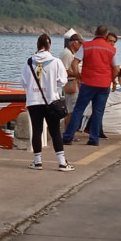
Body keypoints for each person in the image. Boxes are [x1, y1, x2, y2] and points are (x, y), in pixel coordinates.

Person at [20, 34, 74, 171]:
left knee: (36, 131)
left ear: (37, 45)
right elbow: (63, 81)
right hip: (50, 100)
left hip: (33, 101)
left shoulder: (28, 62)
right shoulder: (56, 62)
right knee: (55, 131)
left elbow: (24, 82)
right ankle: (62, 162)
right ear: (49, 46)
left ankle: (37, 161)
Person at [62, 25, 119, 146]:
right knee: (98, 111)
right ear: (106, 35)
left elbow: (75, 63)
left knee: (78, 110)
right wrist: (112, 79)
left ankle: (68, 137)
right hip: (104, 84)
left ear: (94, 33)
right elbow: (116, 68)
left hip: (88, 83)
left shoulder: (86, 46)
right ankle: (94, 139)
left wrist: (78, 76)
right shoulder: (111, 49)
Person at [60, 33, 83, 126]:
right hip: (70, 83)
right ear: (75, 43)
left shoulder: (71, 53)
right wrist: (78, 74)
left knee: (73, 108)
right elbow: (64, 71)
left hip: (74, 83)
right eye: (80, 44)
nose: (82, 46)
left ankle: (71, 130)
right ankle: (69, 131)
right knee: (71, 109)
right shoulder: (67, 54)